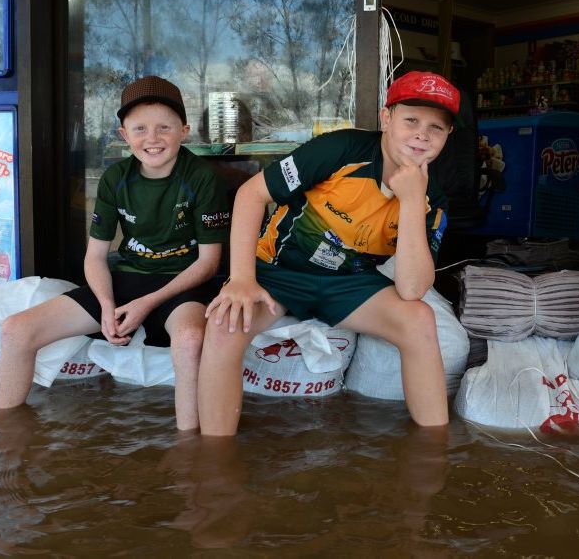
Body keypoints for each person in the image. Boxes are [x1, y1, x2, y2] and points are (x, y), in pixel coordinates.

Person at [197, 70, 460, 436]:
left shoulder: (434, 199)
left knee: (418, 319)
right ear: (387, 119)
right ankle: (212, 456)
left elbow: (413, 289)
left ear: (448, 136)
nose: (421, 134)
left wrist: (414, 200)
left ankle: (434, 451)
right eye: (411, 120)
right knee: (224, 325)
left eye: (436, 127)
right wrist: (241, 278)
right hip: (278, 272)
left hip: (347, 282)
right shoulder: (341, 150)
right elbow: (251, 194)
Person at [0, 76, 231, 431]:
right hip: (128, 279)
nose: (152, 138)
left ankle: (190, 454)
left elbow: (209, 262)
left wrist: (148, 303)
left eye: (164, 127)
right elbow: (95, 256)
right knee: (15, 330)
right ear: (124, 135)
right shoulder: (115, 177)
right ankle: (6, 445)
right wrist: (105, 305)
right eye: (140, 129)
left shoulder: (201, 177)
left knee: (190, 340)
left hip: (183, 285)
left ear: (183, 131)